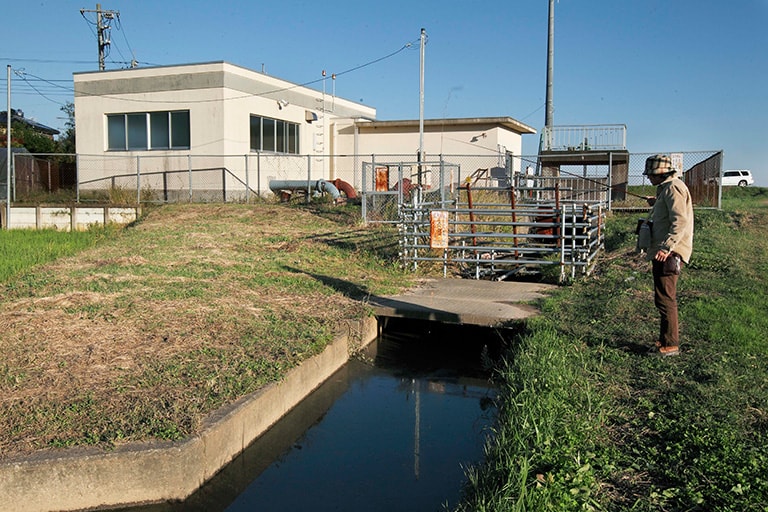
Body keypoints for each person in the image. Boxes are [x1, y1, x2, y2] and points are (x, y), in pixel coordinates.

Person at [642, 154, 694, 356]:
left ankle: (671, 344)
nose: (648, 178)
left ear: (660, 173)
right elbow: (671, 209)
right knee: (662, 297)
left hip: (669, 253)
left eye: (651, 175)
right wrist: (657, 202)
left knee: (666, 299)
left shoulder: (673, 188)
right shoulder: (668, 189)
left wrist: (666, 247)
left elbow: (680, 221)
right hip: (665, 250)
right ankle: (665, 339)